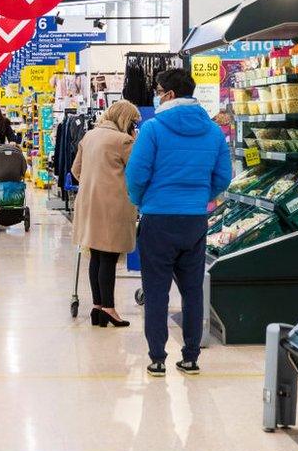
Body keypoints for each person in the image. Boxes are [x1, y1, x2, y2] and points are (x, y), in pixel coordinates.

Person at [126, 68, 231, 378]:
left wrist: (142, 201)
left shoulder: (153, 129)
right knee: (192, 290)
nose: (157, 95)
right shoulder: (213, 131)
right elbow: (222, 177)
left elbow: (136, 175)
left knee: (156, 291)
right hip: (195, 220)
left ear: (169, 95)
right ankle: (190, 357)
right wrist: (199, 198)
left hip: (158, 219)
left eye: (159, 90)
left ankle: (157, 358)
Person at [71, 100, 141, 329]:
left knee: (96, 255)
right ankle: (110, 309)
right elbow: (137, 171)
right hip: (112, 204)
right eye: (133, 121)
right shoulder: (123, 141)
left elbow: (75, 170)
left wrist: (94, 182)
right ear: (125, 119)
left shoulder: (90, 136)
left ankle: (98, 307)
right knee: (109, 257)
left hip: (89, 203)